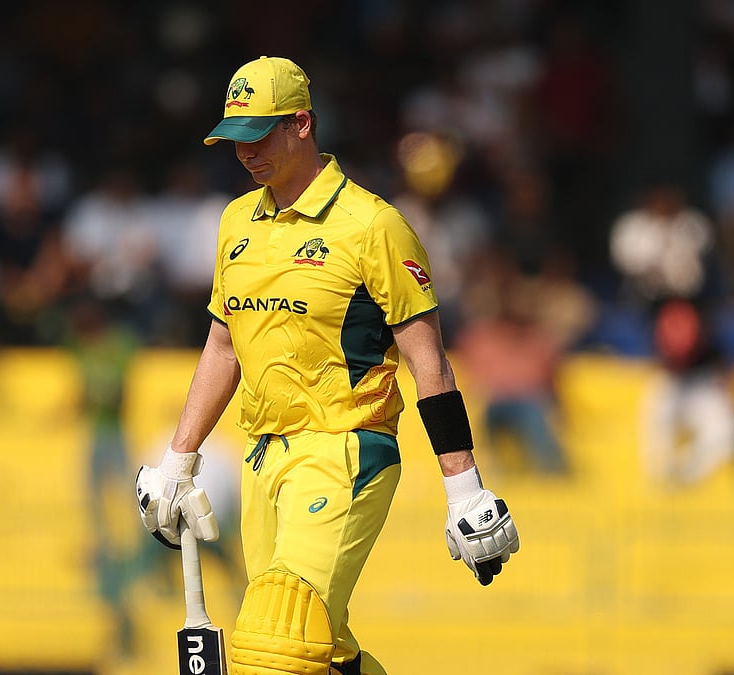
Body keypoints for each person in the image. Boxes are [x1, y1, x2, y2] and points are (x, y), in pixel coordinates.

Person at [133, 56, 520, 675]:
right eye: (235, 139)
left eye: (259, 135)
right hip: (264, 458)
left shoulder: (373, 225)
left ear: (302, 124)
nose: (246, 153)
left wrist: (464, 489)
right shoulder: (235, 221)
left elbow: (430, 364)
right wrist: (178, 462)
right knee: (322, 649)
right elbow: (223, 347)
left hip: (346, 450)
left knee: (275, 641)